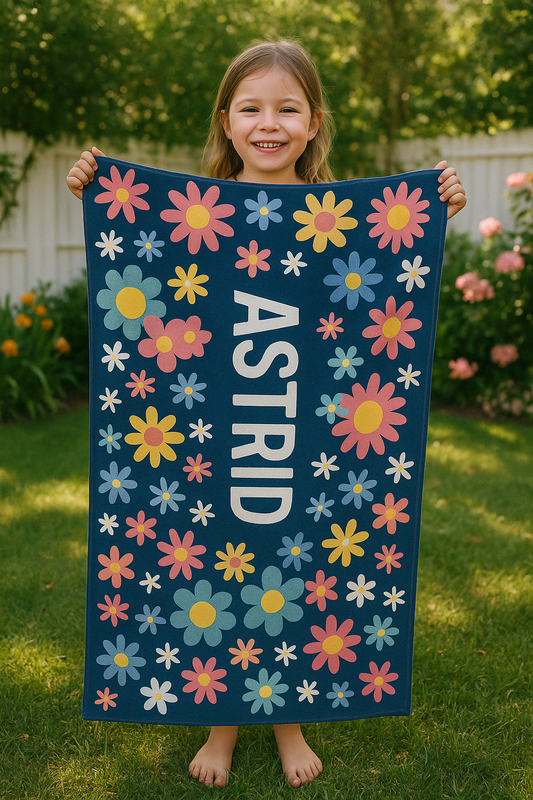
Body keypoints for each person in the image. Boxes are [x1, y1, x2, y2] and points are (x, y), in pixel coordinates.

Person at [67, 39, 466, 790]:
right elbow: (144, 260)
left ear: (314, 122)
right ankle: (220, 726)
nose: (269, 123)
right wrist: (94, 186)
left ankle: (290, 723)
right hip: (215, 427)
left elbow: (379, 283)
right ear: (226, 120)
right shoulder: (192, 215)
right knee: (219, 553)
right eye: (251, 108)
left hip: (301, 432)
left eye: (288, 108)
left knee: (297, 556)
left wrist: (434, 205)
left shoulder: (338, 220)